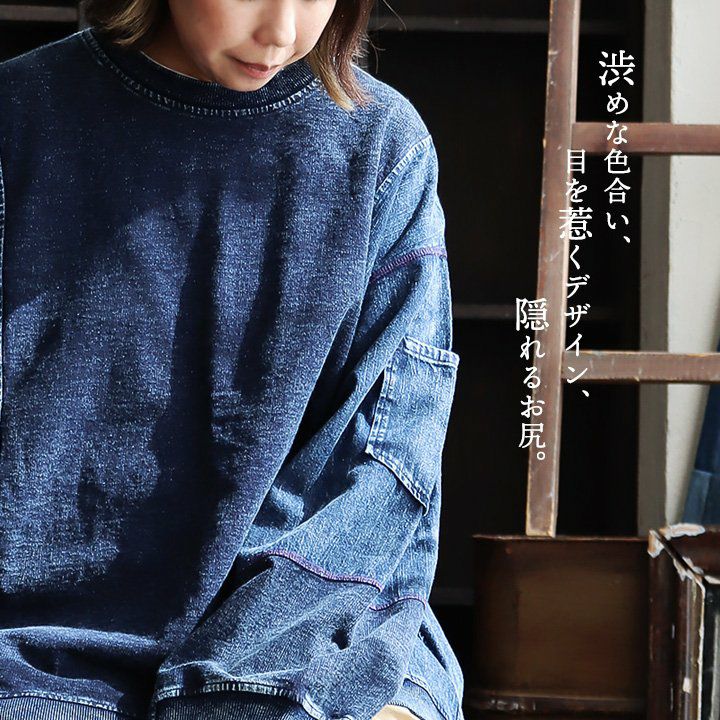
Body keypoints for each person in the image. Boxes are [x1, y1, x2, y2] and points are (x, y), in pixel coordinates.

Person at [0, 0, 464, 718]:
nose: (281, 32)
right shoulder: (22, 117)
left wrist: (243, 687)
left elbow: (383, 463)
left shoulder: (381, 146)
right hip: (40, 653)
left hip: (322, 621)